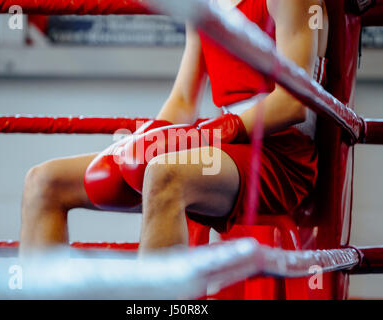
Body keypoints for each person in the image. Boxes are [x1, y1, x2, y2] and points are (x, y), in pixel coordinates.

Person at [19, 0, 329, 255]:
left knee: (164, 174)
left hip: (280, 156)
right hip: (224, 146)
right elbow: (182, 99)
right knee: (45, 181)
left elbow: (292, 102)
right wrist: (143, 141)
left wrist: (216, 131)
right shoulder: (205, 4)